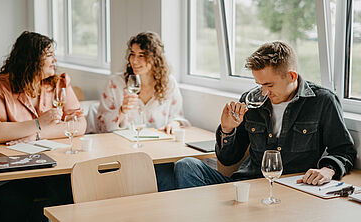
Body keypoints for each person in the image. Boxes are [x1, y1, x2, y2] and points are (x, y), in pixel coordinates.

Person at [174, 41, 357, 189]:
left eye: (269, 85)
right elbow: (229, 159)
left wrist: (328, 169)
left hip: (293, 191)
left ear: (292, 76)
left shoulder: (322, 101)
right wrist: (227, 129)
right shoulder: (250, 100)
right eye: (259, 84)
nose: (263, 92)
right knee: (186, 166)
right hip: (247, 186)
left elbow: (344, 150)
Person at [0, 31, 86, 221]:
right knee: (16, 202)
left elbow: (79, 124)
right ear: (32, 60)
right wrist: (37, 123)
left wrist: (37, 134)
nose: (55, 60)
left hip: (53, 167)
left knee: (75, 191)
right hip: (12, 173)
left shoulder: (59, 84)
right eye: (49, 55)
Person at [96, 31, 190, 191]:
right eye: (132, 54)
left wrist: (174, 123)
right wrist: (121, 111)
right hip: (123, 156)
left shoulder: (168, 84)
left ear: (155, 58)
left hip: (158, 156)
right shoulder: (115, 84)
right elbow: (100, 127)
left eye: (142, 55)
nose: (134, 60)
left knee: (171, 178)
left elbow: (178, 117)